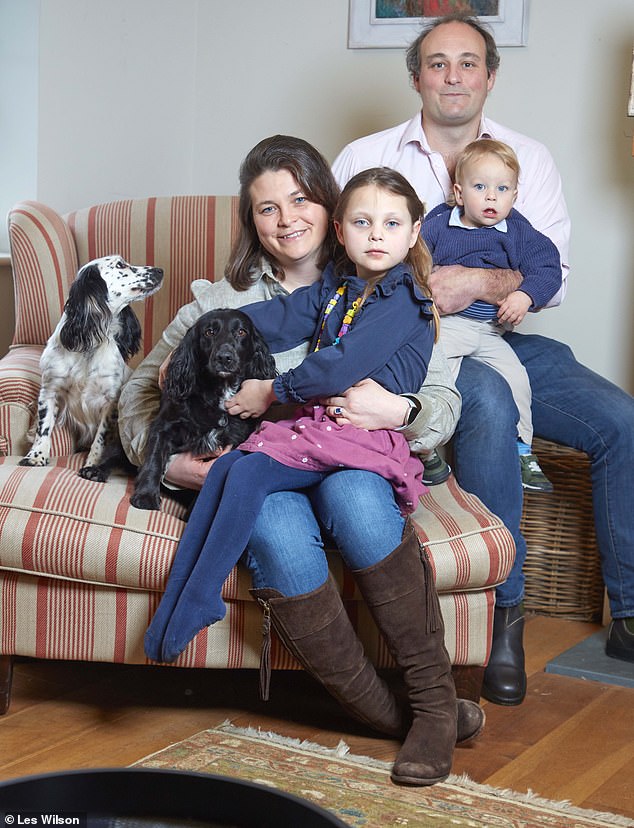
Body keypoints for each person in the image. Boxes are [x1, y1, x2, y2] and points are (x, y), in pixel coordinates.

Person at [118, 135, 484, 786]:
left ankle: (430, 702)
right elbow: (139, 400)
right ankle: (402, 717)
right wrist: (172, 461)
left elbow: (442, 396)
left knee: (352, 496)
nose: (286, 218)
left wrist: (399, 412)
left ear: (327, 206)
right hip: (279, 457)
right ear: (250, 220)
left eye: (300, 199)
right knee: (270, 513)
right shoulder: (218, 301)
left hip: (350, 455)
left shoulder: (390, 283)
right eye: (266, 207)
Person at [331, 13, 634, 702]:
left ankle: (632, 616)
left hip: (504, 332)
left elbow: (549, 271)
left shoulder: (528, 159)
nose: (453, 76)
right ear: (416, 77)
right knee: (489, 405)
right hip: (416, 345)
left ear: (490, 76)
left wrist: (480, 283)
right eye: (438, 63)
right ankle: (506, 616)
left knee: (622, 419)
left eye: (468, 62)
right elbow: (338, 272)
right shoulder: (364, 156)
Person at [422, 138, 562, 493]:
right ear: (458, 192)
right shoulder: (439, 225)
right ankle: (423, 449)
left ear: (514, 196)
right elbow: (413, 260)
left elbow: (548, 267)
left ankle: (522, 450)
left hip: (488, 330)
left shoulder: (518, 231)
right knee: (429, 373)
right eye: (480, 187)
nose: (490, 197)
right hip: (447, 325)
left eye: (501, 189)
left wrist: (525, 295)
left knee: (517, 380)